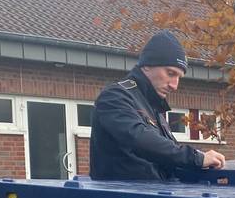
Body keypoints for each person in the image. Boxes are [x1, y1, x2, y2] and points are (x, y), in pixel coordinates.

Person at [89, 30, 225, 181]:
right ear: (147, 65)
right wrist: (197, 158)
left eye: (179, 77)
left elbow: (168, 153)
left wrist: (201, 161)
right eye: (170, 73)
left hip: (155, 196)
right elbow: (138, 139)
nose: (175, 86)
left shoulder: (153, 109)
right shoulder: (115, 97)